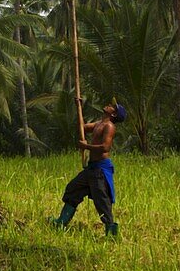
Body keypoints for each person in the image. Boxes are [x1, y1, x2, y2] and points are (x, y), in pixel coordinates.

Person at [51, 100, 127, 237]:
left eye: (112, 106)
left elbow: (105, 147)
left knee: (102, 201)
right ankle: (61, 223)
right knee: (73, 189)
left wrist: (86, 147)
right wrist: (78, 107)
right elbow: (82, 127)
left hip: (100, 171)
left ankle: (111, 233)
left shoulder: (109, 126)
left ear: (114, 114)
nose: (109, 105)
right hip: (91, 169)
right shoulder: (99, 124)